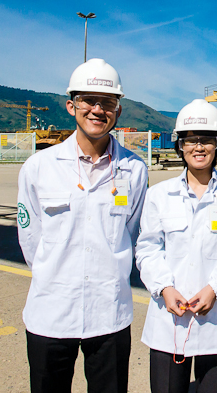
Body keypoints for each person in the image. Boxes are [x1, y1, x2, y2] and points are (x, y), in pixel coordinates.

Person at [17, 58, 148, 393]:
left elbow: (131, 234)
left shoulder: (134, 170)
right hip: (51, 311)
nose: (97, 110)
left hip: (110, 315)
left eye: (107, 102)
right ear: (71, 105)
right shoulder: (39, 167)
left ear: (118, 111)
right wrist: (56, 273)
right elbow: (30, 239)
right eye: (89, 101)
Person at [135, 98, 217, 393]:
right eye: (191, 140)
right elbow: (147, 249)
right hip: (170, 321)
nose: (199, 147)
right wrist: (165, 288)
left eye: (206, 140)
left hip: (215, 320)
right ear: (180, 146)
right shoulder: (159, 195)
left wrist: (215, 289)